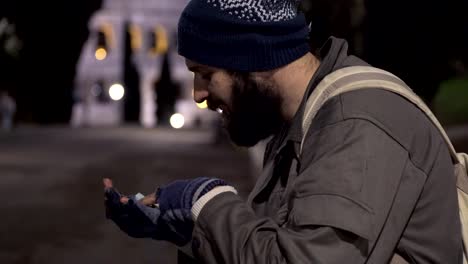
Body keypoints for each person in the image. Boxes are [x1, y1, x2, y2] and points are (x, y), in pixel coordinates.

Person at [103, 0, 463, 263]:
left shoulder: (354, 123)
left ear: (252, 61)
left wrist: (204, 201)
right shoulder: (301, 120)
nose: (198, 94)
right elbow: (273, 245)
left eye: (207, 74)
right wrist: (189, 227)